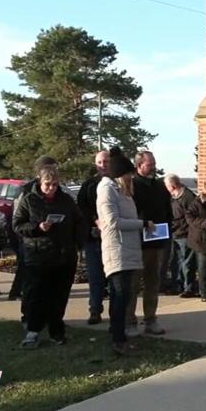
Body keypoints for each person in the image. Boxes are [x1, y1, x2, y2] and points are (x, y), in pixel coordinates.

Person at [14, 166, 86, 348]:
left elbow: (79, 221)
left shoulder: (66, 200)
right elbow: (17, 225)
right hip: (38, 255)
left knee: (59, 296)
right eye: (48, 185)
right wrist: (37, 228)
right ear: (40, 182)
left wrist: (78, 243)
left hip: (64, 256)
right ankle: (33, 331)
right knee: (37, 296)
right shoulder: (29, 200)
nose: (51, 188)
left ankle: (57, 331)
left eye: (55, 185)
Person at [97, 148, 145, 355]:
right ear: (120, 175)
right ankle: (118, 339)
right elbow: (112, 221)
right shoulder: (107, 190)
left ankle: (120, 335)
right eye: (128, 175)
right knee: (119, 296)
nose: (131, 179)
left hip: (129, 249)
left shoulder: (123, 192)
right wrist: (141, 224)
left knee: (124, 297)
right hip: (116, 250)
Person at [8, 154, 58, 319]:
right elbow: (16, 220)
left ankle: (45, 316)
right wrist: (31, 231)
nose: (54, 171)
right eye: (50, 168)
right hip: (29, 243)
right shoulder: (26, 191)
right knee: (30, 283)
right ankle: (28, 316)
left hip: (52, 245)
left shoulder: (58, 190)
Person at [132, 150, 172, 336]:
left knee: (152, 282)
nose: (153, 167)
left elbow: (167, 210)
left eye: (154, 163)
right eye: (150, 164)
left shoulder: (159, 185)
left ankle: (150, 319)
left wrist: (166, 230)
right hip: (137, 242)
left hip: (156, 242)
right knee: (133, 283)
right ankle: (129, 320)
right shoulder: (132, 185)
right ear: (139, 165)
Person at [77, 150, 110, 325]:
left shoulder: (117, 184)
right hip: (93, 238)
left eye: (106, 161)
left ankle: (118, 314)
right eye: (99, 162)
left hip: (113, 238)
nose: (103, 165)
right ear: (95, 164)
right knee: (95, 276)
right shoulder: (88, 185)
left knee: (114, 278)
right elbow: (81, 208)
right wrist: (94, 220)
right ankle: (95, 310)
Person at [166, 173, 199, 298]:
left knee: (187, 262)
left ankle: (189, 287)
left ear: (173, 186)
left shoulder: (188, 197)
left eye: (167, 186)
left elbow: (192, 216)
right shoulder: (173, 198)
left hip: (186, 234)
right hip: (176, 234)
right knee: (176, 262)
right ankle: (177, 285)